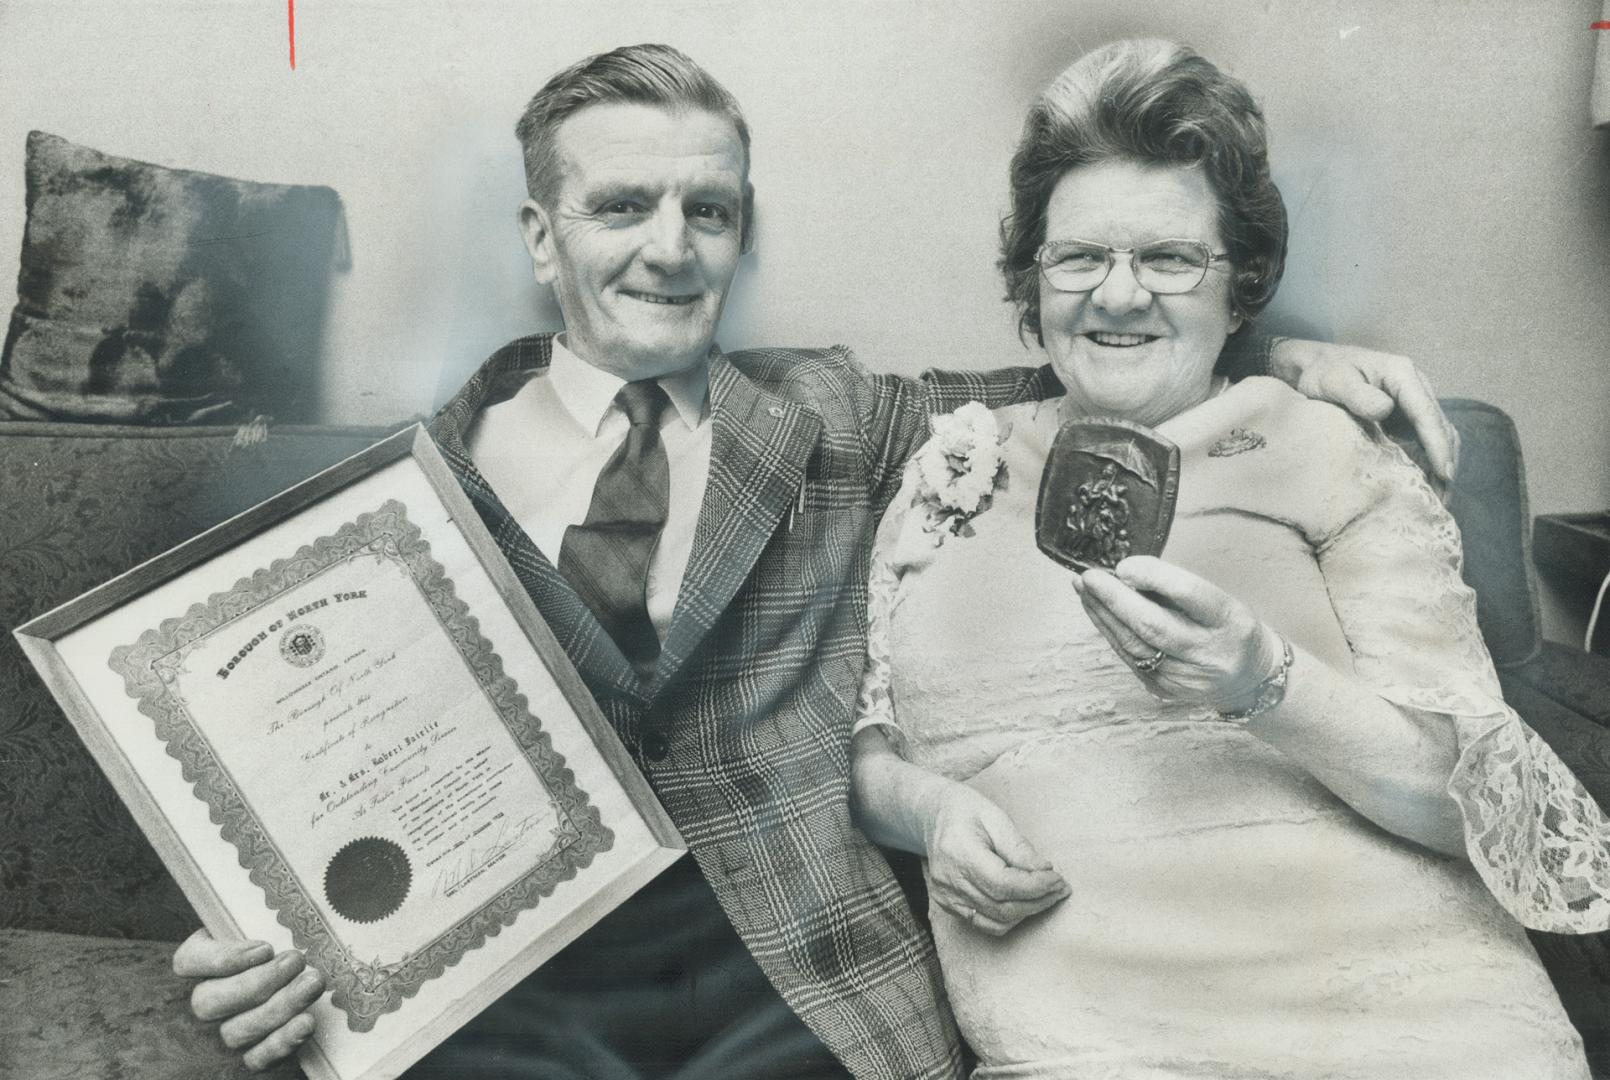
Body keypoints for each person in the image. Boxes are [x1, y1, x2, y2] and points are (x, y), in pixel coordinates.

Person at [171, 43, 1461, 1080]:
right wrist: (255, 936)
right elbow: (310, 785)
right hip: (503, 996)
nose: (669, 248)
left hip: (797, 987)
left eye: (708, 210)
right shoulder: (397, 509)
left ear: (741, 231)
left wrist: (1290, 363)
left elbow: (1092, 357)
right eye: (621, 206)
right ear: (537, 233)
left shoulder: (844, 420)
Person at [850, 38, 1610, 1079]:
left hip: (1397, 1018)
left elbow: (1482, 812)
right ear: (1031, 277)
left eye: (1167, 260)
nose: (1117, 296)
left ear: (1239, 284)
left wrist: (1265, 681)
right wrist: (928, 813)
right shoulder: (946, 470)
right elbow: (872, 753)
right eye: (1078, 258)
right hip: (1088, 1039)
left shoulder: (1323, 445)